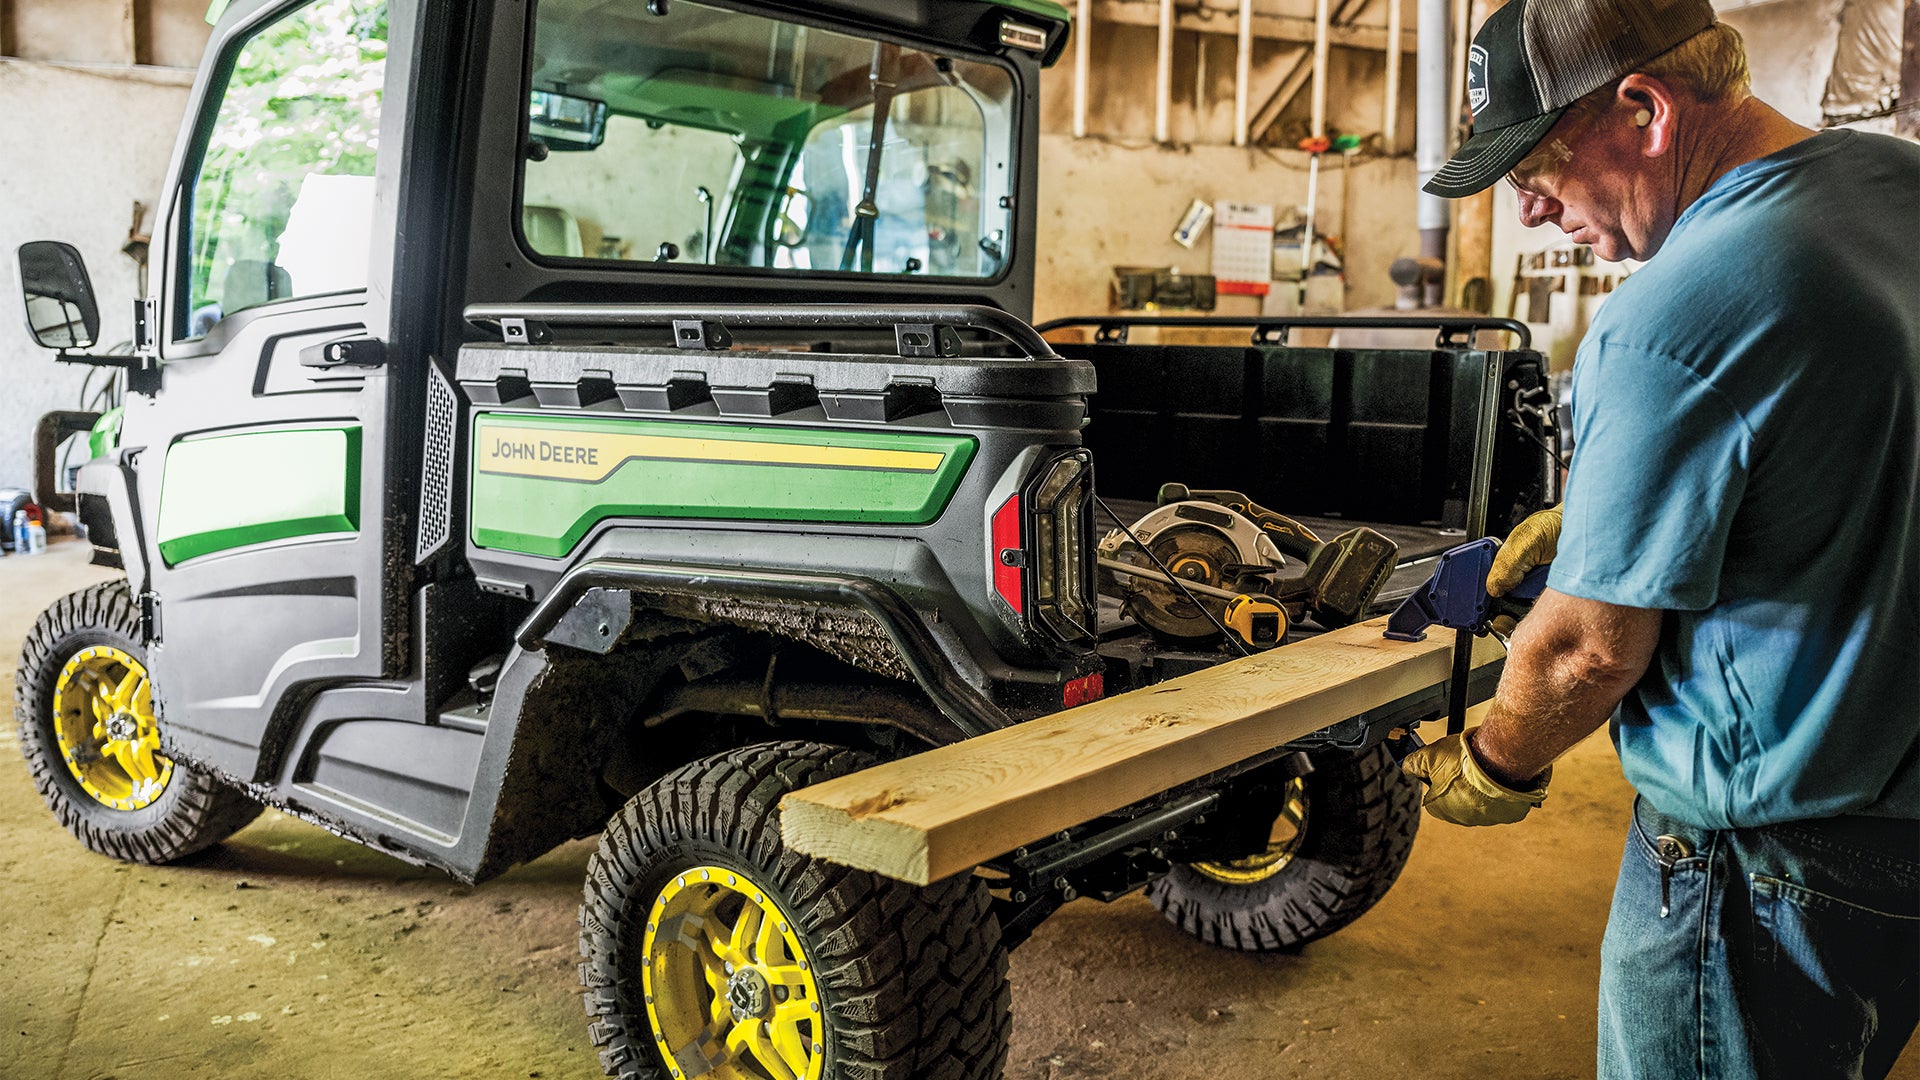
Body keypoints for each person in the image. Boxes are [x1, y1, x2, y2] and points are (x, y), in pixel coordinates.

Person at [1397, 0, 1920, 1075]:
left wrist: (1495, 762)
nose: (1533, 213)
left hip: (1758, 869)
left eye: (1536, 168)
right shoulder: (1894, 185)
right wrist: (1619, 522)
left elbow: (1587, 648)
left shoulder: (1668, 315)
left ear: (1643, 109)